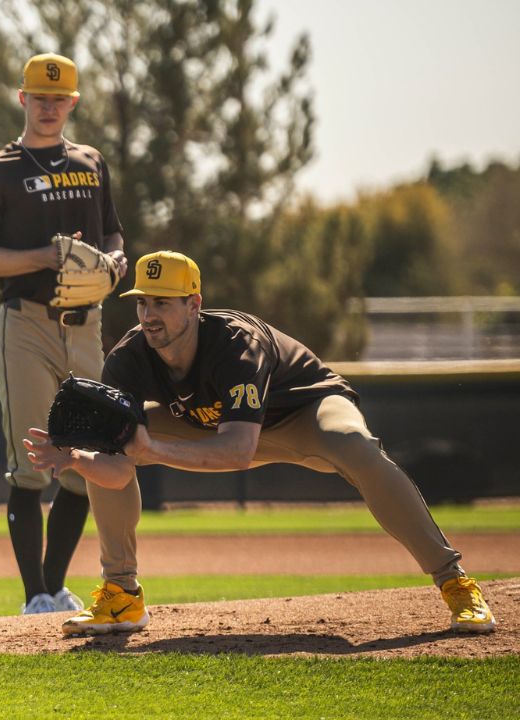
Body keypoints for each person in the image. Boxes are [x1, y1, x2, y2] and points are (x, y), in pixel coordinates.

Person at [26, 250, 497, 635]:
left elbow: (238, 451)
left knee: (356, 447)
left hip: (301, 412)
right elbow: (119, 471)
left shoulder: (236, 343)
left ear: (194, 304)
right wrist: (76, 458)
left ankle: (453, 581)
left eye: (164, 303)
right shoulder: (128, 358)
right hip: (205, 423)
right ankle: (121, 597)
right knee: (111, 440)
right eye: (143, 303)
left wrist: (149, 449)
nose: (150, 316)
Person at [0, 53, 129, 614]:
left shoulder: (91, 162)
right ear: (22, 99)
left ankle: (54, 586)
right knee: (33, 462)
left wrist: (114, 265)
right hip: (26, 323)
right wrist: (44, 255)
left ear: (73, 102)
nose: (50, 106)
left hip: (86, 326)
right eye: (40, 97)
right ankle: (33, 594)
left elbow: (114, 238)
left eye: (59, 98)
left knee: (85, 461)